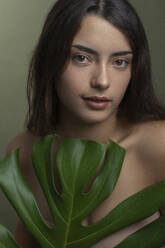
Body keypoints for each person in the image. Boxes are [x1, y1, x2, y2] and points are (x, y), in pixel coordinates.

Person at [6, 0, 165, 247]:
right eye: (81, 58)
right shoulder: (24, 152)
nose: (102, 81)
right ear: (51, 58)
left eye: (120, 62)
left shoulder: (157, 146)